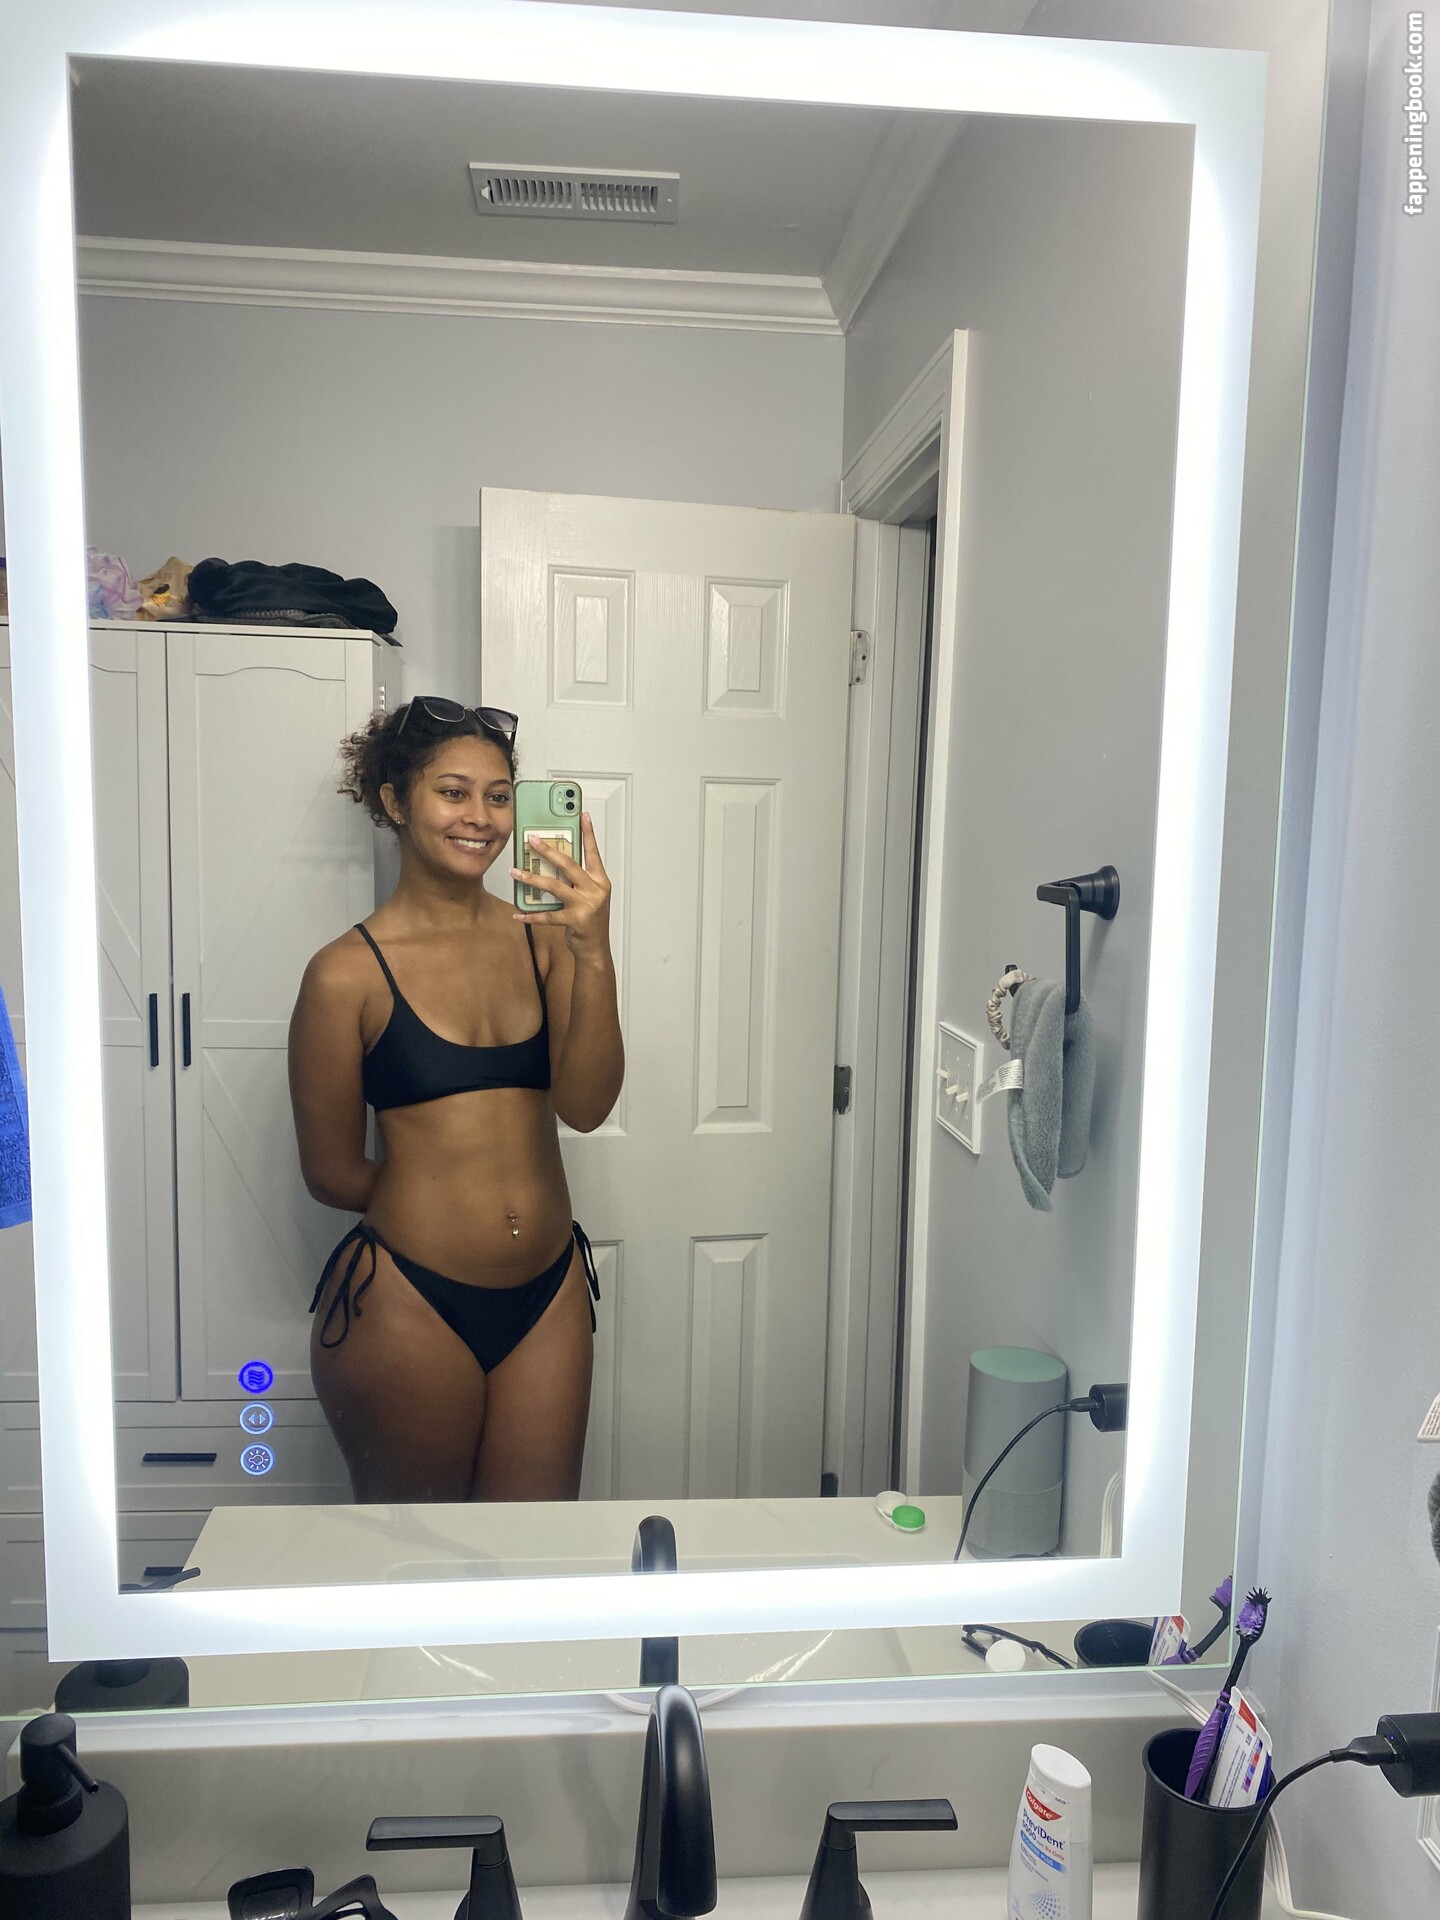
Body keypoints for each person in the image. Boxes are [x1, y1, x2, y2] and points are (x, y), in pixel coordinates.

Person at [288, 696, 622, 1501]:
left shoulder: (547, 940)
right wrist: (445, 1208)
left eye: (498, 795)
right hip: (409, 1301)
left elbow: (586, 1107)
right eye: (453, 792)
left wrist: (594, 951)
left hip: (548, 1298)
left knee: (536, 1554)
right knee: (416, 1557)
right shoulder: (344, 974)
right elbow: (332, 1174)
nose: (481, 816)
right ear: (396, 802)